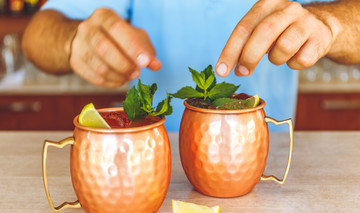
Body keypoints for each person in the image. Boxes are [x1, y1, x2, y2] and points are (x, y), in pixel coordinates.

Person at [22, 0, 360, 131]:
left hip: (264, 164)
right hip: (149, 161)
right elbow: (36, 35)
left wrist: (331, 25)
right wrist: (73, 39)